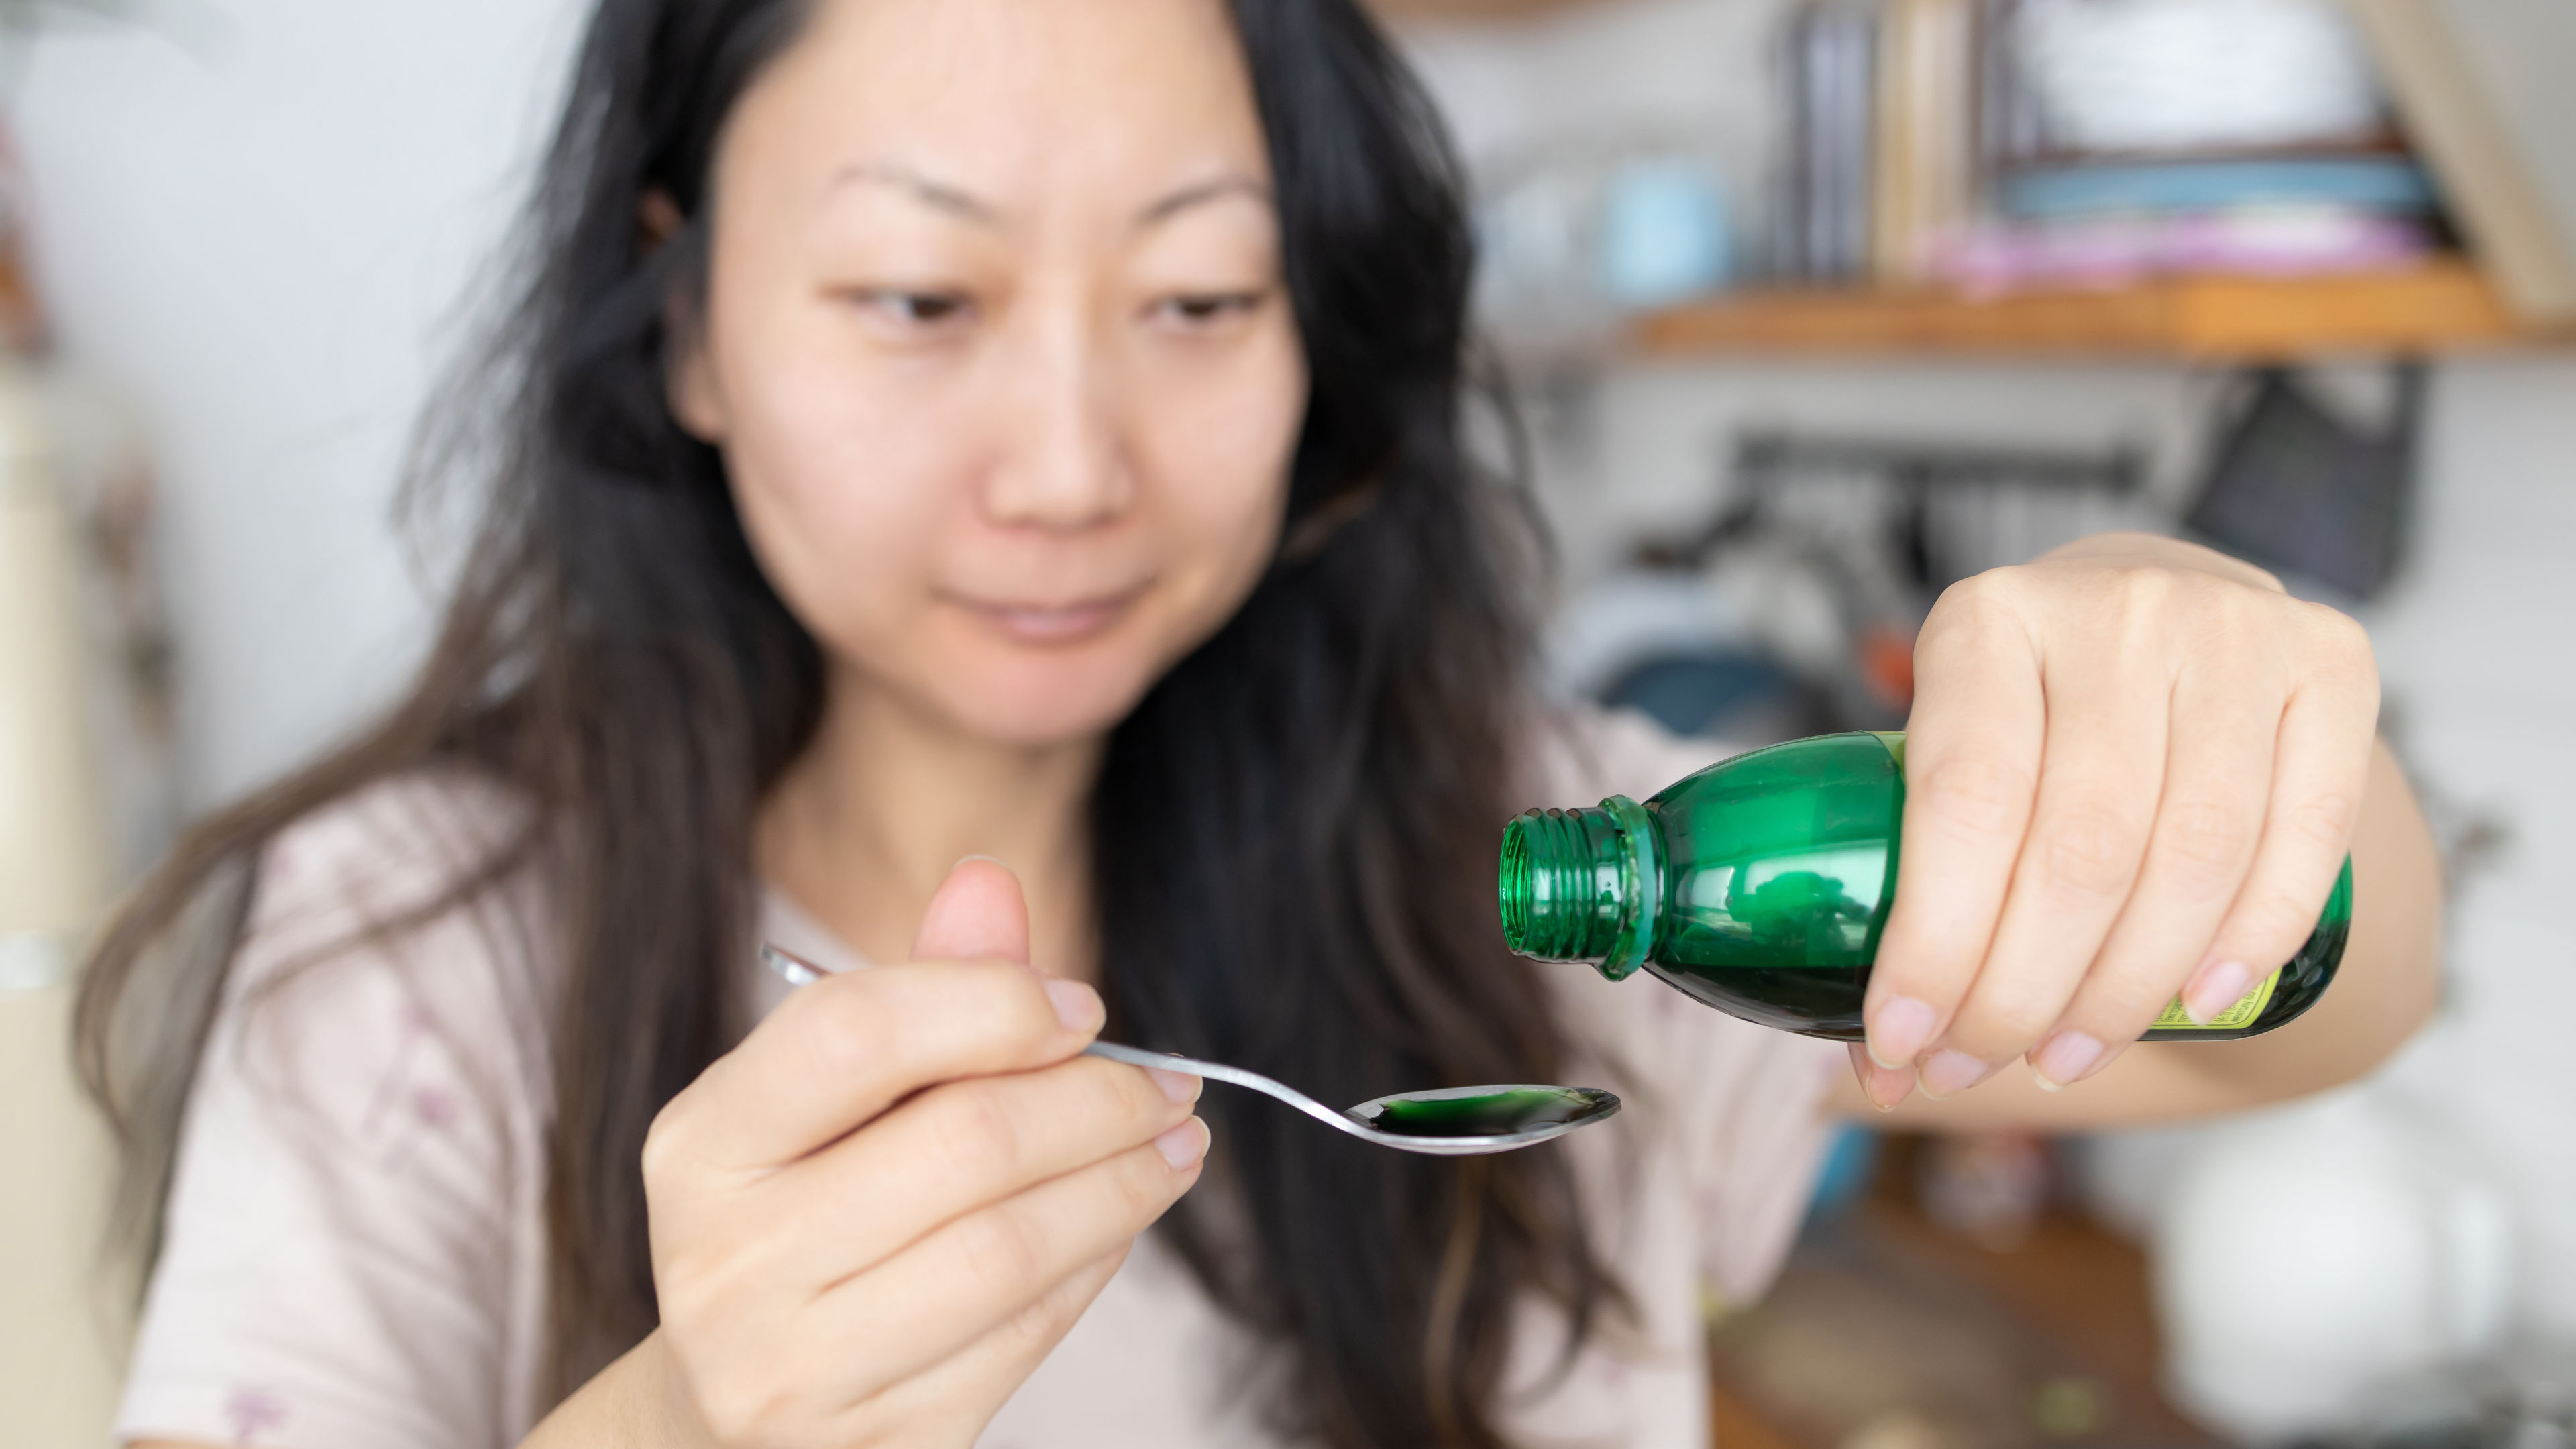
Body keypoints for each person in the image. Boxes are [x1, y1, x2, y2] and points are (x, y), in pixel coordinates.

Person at [77, 0, 2443, 1446]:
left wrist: (2221, 702)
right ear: (686, 317)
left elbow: (2313, 1015)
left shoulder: (1556, 845)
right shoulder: (410, 952)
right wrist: (699, 1419)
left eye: (1203, 296)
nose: (1075, 461)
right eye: (920, 295)